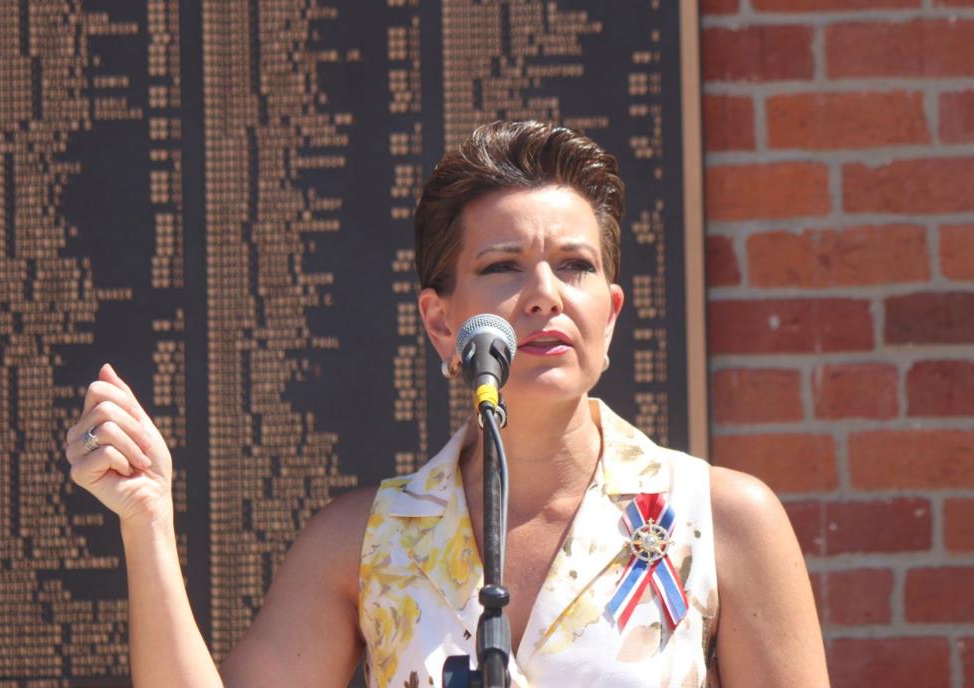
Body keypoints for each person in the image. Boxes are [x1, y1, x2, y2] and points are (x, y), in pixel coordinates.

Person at [64, 120, 829, 687]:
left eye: (576, 266)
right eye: (503, 267)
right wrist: (147, 522)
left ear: (613, 313)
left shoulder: (719, 518)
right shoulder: (366, 541)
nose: (544, 296)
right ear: (440, 321)